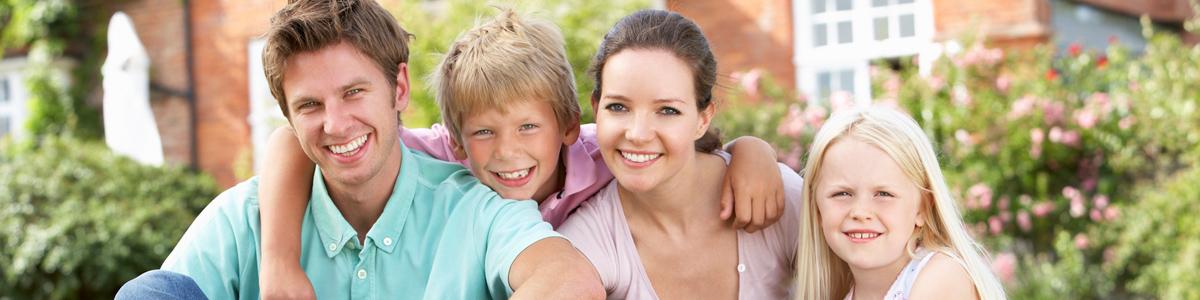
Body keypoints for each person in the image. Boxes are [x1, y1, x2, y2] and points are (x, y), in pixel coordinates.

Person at [255, 8, 789, 298]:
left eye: (528, 126)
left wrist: (752, 151)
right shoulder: (446, 154)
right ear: (460, 140)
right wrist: (278, 264)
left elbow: (675, 141)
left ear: (564, 124)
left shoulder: (603, 149)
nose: (507, 152)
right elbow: (295, 140)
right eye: (485, 133)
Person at [118, 0, 603, 298]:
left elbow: (569, 280)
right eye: (309, 104)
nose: (336, 124)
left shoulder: (478, 208)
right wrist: (278, 261)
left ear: (399, 89)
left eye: (354, 92)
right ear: (288, 117)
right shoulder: (247, 220)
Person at [556, 9, 804, 299]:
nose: (638, 134)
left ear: (703, 118)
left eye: (668, 110)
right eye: (618, 107)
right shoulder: (588, 240)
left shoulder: (779, 199)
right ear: (596, 109)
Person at [794, 106, 1008, 299]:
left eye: (883, 194)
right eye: (842, 194)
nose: (860, 212)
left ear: (923, 207)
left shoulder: (942, 275)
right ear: (817, 208)